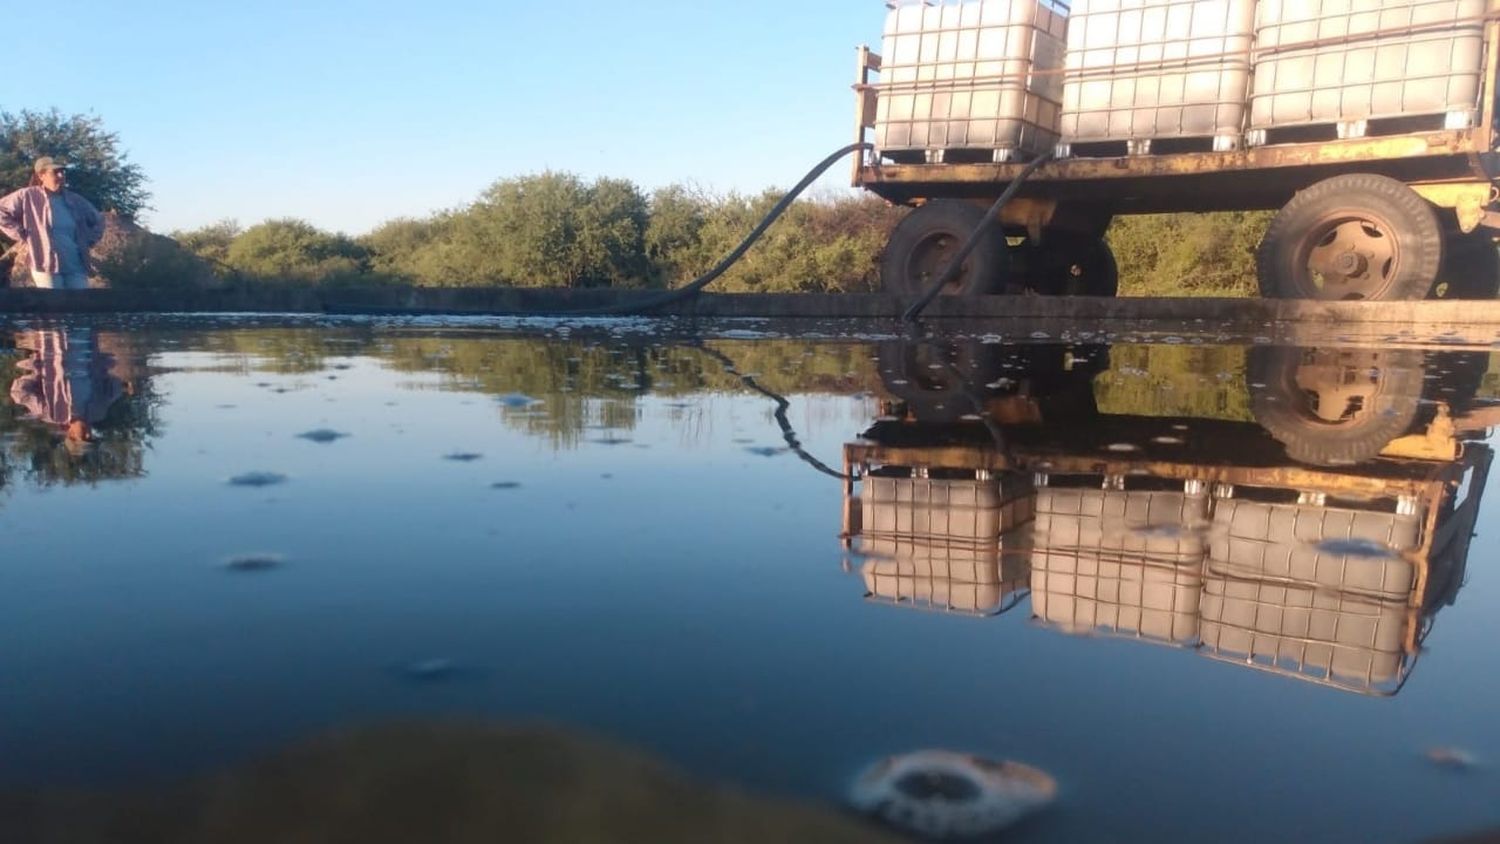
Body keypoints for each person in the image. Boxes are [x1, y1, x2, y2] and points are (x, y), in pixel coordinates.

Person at [0, 157, 106, 289]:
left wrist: (90, 240)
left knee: (78, 304)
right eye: (55, 172)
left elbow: (99, 220)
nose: (61, 175)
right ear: (41, 175)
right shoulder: (27, 196)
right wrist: (21, 234)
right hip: (45, 264)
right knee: (53, 305)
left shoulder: (76, 200)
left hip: (75, 264)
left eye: (62, 172)